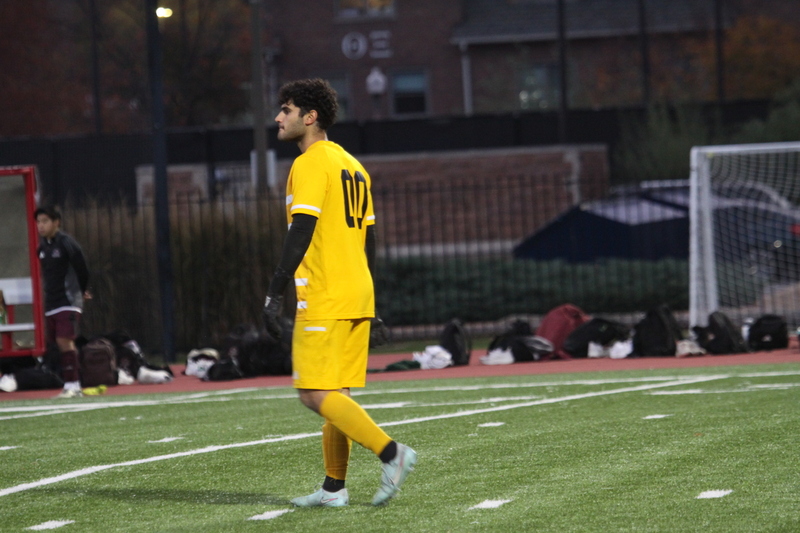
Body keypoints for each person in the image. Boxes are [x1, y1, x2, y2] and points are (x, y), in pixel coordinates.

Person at [262, 78, 416, 507]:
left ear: (310, 117)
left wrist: (275, 290)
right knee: (337, 395)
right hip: (356, 292)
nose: (278, 117)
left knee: (313, 393)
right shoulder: (353, 165)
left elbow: (302, 229)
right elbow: (370, 241)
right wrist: (372, 302)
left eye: (286, 109)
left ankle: (392, 453)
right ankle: (334, 487)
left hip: (325, 293)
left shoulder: (311, 162)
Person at [34, 206, 91, 398]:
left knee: (64, 341)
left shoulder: (67, 243)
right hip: (52, 302)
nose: (40, 226)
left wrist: (82, 291)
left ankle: (74, 385)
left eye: (45, 221)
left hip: (68, 300)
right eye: (38, 222)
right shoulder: (42, 247)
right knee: (58, 344)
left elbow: (82, 268)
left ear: (56, 222)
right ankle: (69, 384)